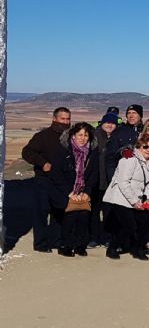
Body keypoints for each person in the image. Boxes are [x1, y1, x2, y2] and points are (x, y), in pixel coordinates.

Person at [22, 106, 71, 252]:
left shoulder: (70, 136)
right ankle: (41, 244)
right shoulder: (42, 136)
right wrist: (42, 163)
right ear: (54, 119)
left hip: (62, 181)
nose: (65, 122)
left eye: (68, 119)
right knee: (42, 211)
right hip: (44, 180)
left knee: (59, 211)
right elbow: (27, 152)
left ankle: (56, 240)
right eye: (62, 118)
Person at [49, 122, 99, 257]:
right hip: (65, 191)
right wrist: (69, 193)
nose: (82, 138)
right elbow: (56, 174)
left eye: (86, 135)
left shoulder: (92, 153)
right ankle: (65, 246)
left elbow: (94, 174)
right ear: (73, 136)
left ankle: (80, 246)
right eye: (80, 135)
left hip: (83, 192)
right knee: (69, 219)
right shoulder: (63, 151)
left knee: (83, 218)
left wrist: (87, 192)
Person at [102, 134, 149, 260]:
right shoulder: (129, 160)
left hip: (135, 199)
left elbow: (148, 184)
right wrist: (135, 202)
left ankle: (137, 248)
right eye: (145, 147)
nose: (148, 150)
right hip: (120, 198)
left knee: (146, 220)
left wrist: (147, 199)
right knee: (129, 225)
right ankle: (113, 247)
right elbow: (123, 182)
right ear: (138, 147)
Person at [88, 112, 118, 248]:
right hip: (95, 180)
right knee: (93, 212)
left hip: (110, 182)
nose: (109, 125)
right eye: (107, 123)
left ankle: (107, 237)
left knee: (109, 212)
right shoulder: (94, 136)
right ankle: (94, 238)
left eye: (112, 123)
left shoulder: (118, 137)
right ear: (102, 123)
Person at [106, 104, 144, 182]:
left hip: (142, 177)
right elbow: (110, 158)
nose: (131, 115)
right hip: (122, 176)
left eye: (134, 113)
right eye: (129, 113)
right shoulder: (118, 132)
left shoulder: (146, 131)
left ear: (140, 115)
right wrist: (113, 180)